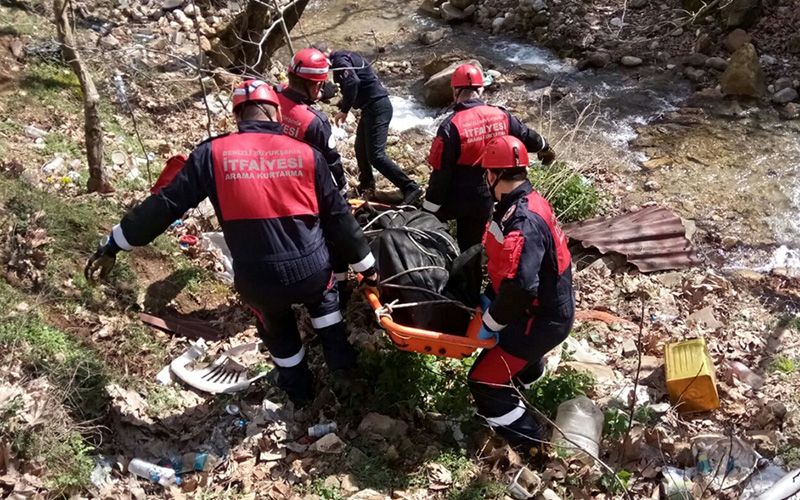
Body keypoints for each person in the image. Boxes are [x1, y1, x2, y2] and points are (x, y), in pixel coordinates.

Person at [84, 80, 378, 406]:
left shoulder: (211, 154)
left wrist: (115, 243)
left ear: (237, 115)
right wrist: (368, 267)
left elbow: (164, 207)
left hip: (257, 279)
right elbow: (339, 219)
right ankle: (344, 377)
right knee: (325, 306)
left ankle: (300, 395)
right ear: (278, 112)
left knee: (278, 329)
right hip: (311, 269)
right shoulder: (308, 155)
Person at [468, 135, 574, 452]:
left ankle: (533, 443)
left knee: (483, 381)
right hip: (546, 312)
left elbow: (521, 289)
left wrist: (491, 320)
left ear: (493, 175)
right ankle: (526, 374)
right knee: (512, 357)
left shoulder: (522, 220)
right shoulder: (526, 203)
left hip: (538, 320)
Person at [424, 64, 556, 251]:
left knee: (437, 241)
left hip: (454, 199)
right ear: (481, 89)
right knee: (472, 249)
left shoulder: (450, 126)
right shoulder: (501, 115)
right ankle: (472, 276)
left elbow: (440, 175)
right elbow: (526, 136)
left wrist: (429, 210)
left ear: (454, 91)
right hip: (487, 197)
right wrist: (545, 147)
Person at [275, 48, 350, 292]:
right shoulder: (314, 121)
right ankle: (338, 287)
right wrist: (343, 193)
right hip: (302, 188)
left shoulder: (271, 98)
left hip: (270, 181)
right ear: (315, 86)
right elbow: (332, 164)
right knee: (334, 234)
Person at [312, 42, 423, 205]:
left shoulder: (340, 62)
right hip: (371, 107)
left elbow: (352, 82)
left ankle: (410, 187)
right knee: (360, 148)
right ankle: (367, 185)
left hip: (377, 107)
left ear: (324, 56)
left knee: (376, 155)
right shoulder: (346, 56)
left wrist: (344, 109)